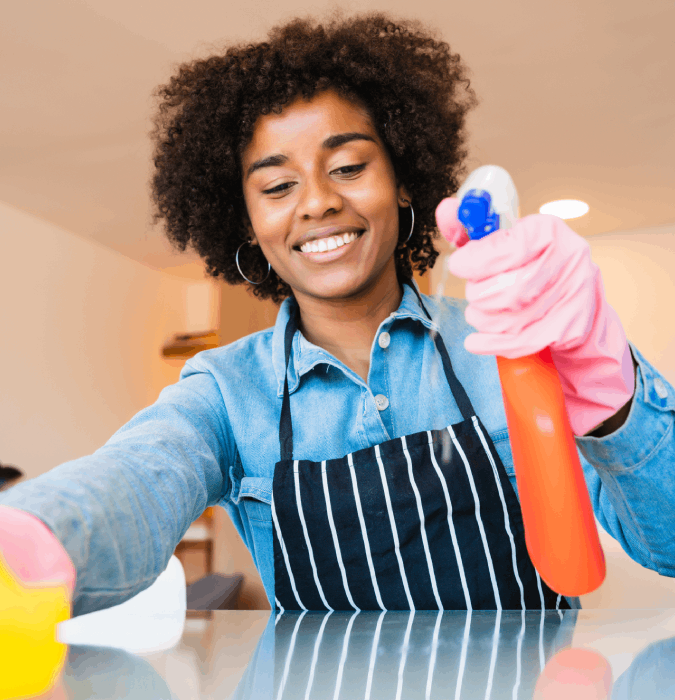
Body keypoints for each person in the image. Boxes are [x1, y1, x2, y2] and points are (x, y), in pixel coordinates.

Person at [1, 11, 674, 616]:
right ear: (247, 221)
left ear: (403, 178)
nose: (317, 202)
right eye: (277, 185)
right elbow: (134, 483)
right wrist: (27, 547)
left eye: (348, 166)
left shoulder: (508, 345)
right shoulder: (226, 393)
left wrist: (609, 393)